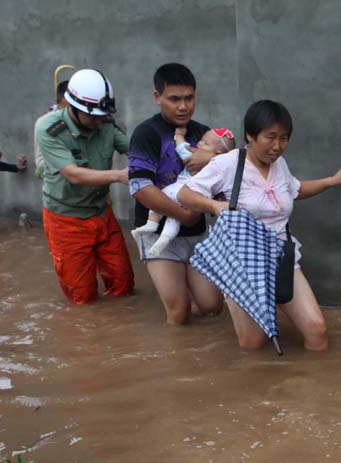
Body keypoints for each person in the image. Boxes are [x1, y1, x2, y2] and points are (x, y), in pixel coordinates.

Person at [180, 99, 341, 351]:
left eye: (284, 138)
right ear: (250, 135)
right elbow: (185, 194)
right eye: (270, 137)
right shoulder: (228, 164)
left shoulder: (280, 165)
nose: (277, 146)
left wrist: (331, 181)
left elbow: (295, 190)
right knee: (253, 345)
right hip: (241, 264)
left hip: (280, 256)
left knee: (317, 330)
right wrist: (213, 206)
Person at [128, 63, 225, 324]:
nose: (183, 106)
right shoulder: (146, 134)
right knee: (179, 314)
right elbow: (140, 188)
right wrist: (185, 214)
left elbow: (224, 177)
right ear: (157, 97)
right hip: (158, 232)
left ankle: (182, 298)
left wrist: (214, 158)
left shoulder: (203, 134)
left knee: (212, 306)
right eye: (174, 99)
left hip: (197, 234)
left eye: (189, 98)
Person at [36, 68, 133, 305]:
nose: (99, 121)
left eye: (103, 115)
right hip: (66, 220)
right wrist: (120, 176)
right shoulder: (49, 129)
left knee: (123, 284)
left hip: (101, 212)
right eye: (94, 116)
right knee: (82, 296)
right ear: (74, 108)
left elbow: (134, 149)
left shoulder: (105, 124)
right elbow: (74, 174)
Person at [131, 126, 236, 256]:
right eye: (202, 140)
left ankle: (152, 222)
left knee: (161, 195)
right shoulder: (224, 166)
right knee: (175, 219)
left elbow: (181, 148)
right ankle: (165, 238)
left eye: (205, 143)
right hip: (199, 197)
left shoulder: (197, 157)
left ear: (219, 153)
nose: (199, 143)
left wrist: (179, 136)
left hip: (181, 188)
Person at [34, 80, 70, 178]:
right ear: (57, 103)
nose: (70, 116)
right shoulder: (44, 124)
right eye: (65, 110)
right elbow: (41, 164)